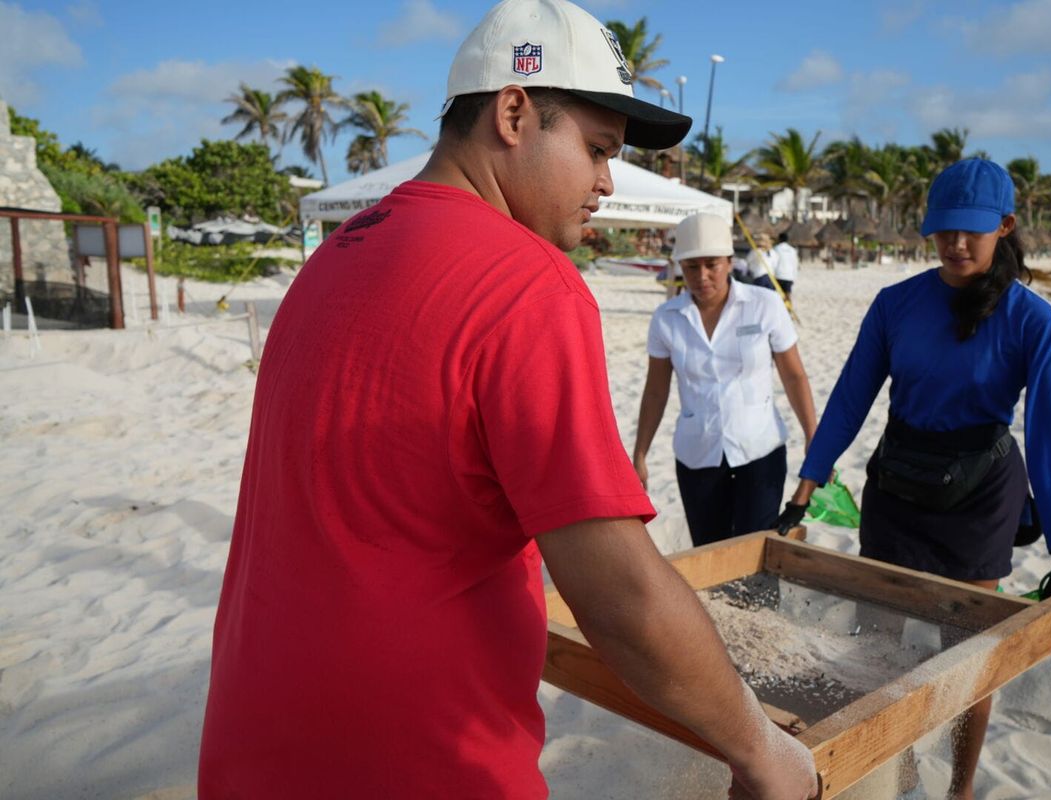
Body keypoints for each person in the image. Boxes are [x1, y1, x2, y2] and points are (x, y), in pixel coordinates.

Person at [196, 2, 819, 799]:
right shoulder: (526, 282)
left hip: (256, 743)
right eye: (596, 149)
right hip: (421, 759)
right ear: (515, 110)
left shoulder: (332, 262)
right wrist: (761, 749)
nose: (604, 182)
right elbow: (615, 588)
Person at [773, 158, 1051, 798]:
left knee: (968, 652)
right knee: (876, 641)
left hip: (980, 498)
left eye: (971, 230)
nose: (955, 243)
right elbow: (849, 401)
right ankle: (886, 763)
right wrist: (805, 489)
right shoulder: (897, 304)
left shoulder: (1032, 318)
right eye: (943, 229)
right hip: (897, 485)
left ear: (1005, 226)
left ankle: (962, 787)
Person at [633, 212, 818, 547]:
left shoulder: (764, 304)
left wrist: (812, 435)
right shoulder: (666, 319)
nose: (702, 276)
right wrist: (641, 454)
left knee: (756, 550)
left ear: (730, 262)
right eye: (691, 267)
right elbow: (656, 391)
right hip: (696, 454)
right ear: (679, 268)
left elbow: (793, 375)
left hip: (760, 450)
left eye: (711, 265)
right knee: (708, 552)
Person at [772, 230, 800, 301]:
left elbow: (773, 263)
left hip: (778, 275)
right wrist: (794, 277)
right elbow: (795, 264)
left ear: (779, 239)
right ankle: (788, 310)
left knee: (777, 296)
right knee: (788, 296)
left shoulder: (776, 249)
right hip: (789, 276)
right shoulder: (792, 250)